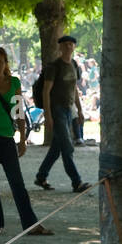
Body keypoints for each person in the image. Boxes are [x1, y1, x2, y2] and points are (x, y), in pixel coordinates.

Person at [0, 48, 52, 238]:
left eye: (0, 61)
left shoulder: (14, 83)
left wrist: (22, 139)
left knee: (17, 183)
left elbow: (19, 113)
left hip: (7, 138)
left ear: (5, 63)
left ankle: (30, 223)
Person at [35, 36, 91, 193]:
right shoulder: (54, 67)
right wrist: (48, 116)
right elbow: (46, 92)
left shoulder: (74, 65)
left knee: (56, 148)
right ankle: (76, 182)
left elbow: (74, 90)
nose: (68, 47)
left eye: (71, 44)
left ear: (74, 47)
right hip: (56, 110)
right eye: (65, 44)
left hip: (68, 109)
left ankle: (41, 176)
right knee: (67, 147)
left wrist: (79, 110)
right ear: (60, 47)